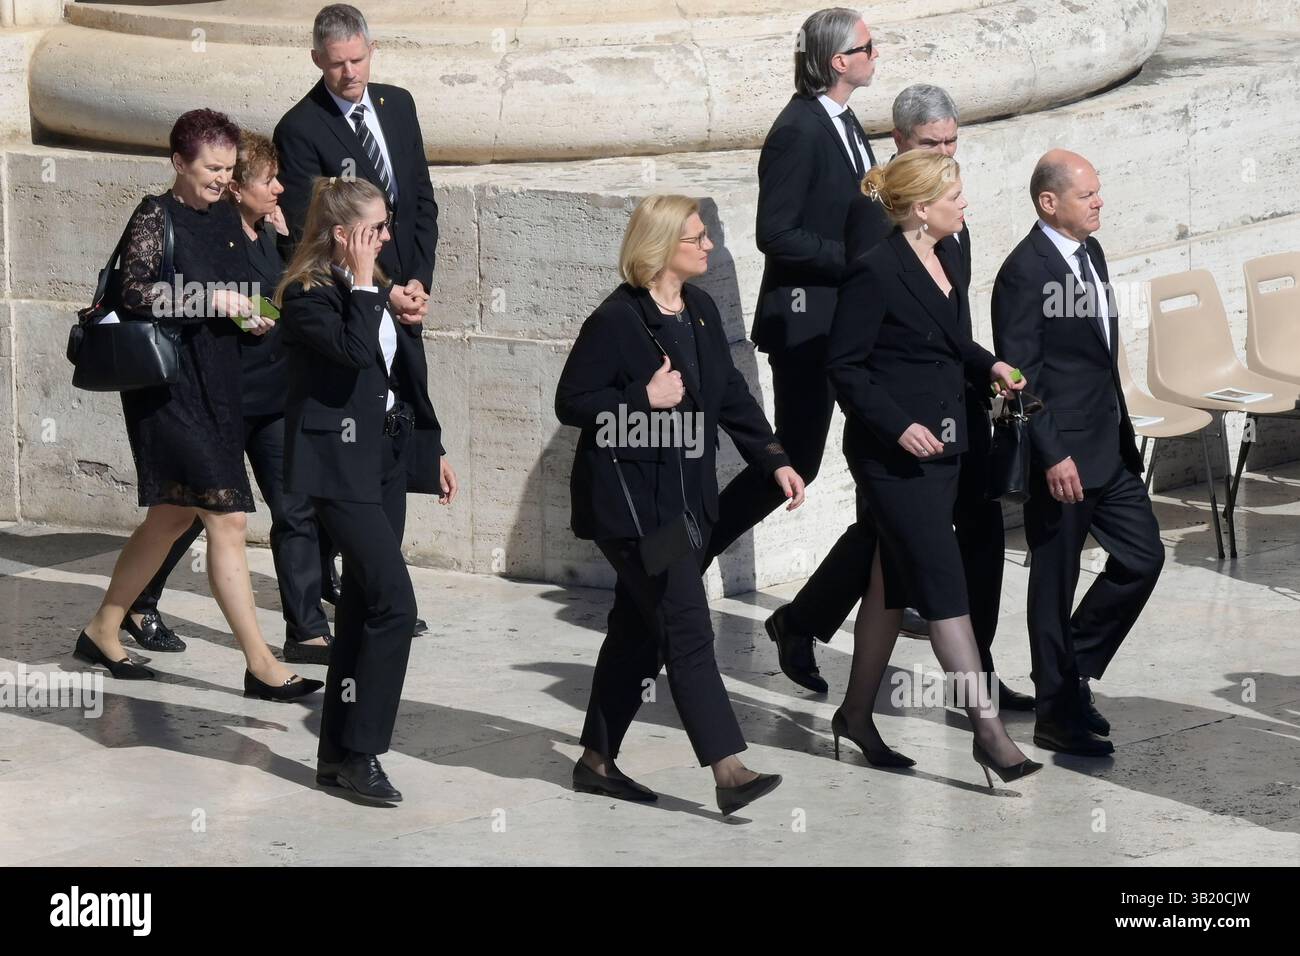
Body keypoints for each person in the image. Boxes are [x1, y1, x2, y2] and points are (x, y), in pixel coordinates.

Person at [772, 83, 1034, 710]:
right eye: (931, 144)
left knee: (967, 530)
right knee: (891, 539)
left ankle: (963, 672)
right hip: (900, 416)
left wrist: (982, 368)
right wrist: (891, 418)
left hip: (956, 396)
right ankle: (810, 625)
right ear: (900, 146)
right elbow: (867, 330)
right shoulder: (884, 217)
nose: (946, 153)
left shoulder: (951, 209)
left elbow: (949, 317)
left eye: (951, 141)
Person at [555, 195, 807, 816]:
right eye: (696, 238)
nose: (708, 247)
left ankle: (595, 759)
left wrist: (773, 457)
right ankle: (728, 768)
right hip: (637, 510)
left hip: (687, 503)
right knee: (687, 626)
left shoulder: (697, 310)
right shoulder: (617, 320)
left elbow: (731, 394)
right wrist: (642, 396)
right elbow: (572, 402)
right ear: (662, 247)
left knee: (636, 633)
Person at [73, 109, 322, 703]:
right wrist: (217, 299)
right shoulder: (155, 215)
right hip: (168, 392)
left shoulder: (226, 221)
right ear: (178, 163)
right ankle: (261, 665)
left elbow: (245, 290)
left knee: (170, 518)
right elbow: (132, 292)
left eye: (229, 169)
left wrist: (252, 314)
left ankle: (103, 628)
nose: (220, 178)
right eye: (211, 168)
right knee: (228, 519)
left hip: (219, 383)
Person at [825, 151, 1041, 787]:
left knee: (889, 584)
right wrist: (897, 424)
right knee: (944, 586)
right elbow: (845, 368)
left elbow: (947, 339)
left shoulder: (945, 254)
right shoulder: (873, 271)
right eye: (955, 195)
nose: (965, 204)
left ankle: (855, 715)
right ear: (922, 208)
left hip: (946, 448)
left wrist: (989, 364)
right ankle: (988, 733)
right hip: (894, 459)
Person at [706, 7, 879, 694]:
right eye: (868, 47)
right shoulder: (797, 130)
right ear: (838, 60)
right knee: (794, 459)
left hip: (853, 327)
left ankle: (860, 595)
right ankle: (694, 551)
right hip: (808, 326)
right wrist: (857, 261)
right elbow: (774, 233)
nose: (876, 55)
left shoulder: (845, 122)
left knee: (877, 461)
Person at [279, 176, 456, 804]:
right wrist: (361, 282)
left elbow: (400, 377)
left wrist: (427, 452)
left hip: (381, 459)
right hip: (334, 467)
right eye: (375, 229)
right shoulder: (307, 296)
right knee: (395, 608)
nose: (386, 237)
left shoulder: (374, 289)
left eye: (386, 225)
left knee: (361, 605)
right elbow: (354, 353)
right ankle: (365, 752)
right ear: (341, 235)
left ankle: (336, 754)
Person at [992, 149, 1164, 757]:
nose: (1099, 203)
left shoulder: (1088, 251)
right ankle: (1056, 713)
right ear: (1049, 202)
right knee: (1054, 581)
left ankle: (1072, 671)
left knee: (1143, 557)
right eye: (1087, 195)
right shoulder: (1024, 271)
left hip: (1107, 447)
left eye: (1098, 192)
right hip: (1061, 457)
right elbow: (1020, 375)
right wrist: (1051, 454)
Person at [274, 2, 438, 635]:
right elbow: (316, 237)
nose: (349, 73)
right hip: (350, 301)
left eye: (358, 59)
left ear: (373, 49)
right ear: (317, 60)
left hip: (403, 300)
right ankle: (334, 604)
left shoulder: (397, 104)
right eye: (337, 63)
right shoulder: (302, 128)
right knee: (341, 464)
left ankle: (374, 591)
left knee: (390, 445)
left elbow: (420, 199)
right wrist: (379, 289)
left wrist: (418, 280)